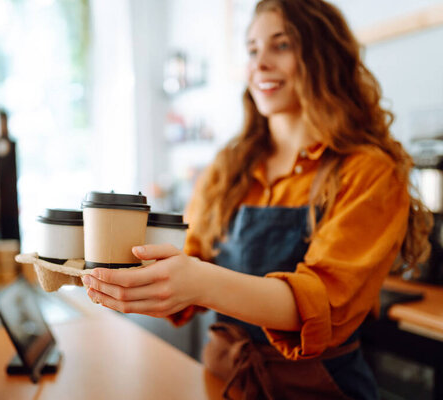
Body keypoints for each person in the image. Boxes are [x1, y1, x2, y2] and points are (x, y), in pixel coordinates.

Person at [81, 0, 433, 398]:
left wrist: (196, 282)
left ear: (324, 57)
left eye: (281, 46)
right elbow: (189, 257)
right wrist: (140, 279)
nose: (260, 63)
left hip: (316, 387)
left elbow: (319, 304)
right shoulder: (229, 167)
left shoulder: (368, 171)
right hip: (223, 378)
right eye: (252, 49)